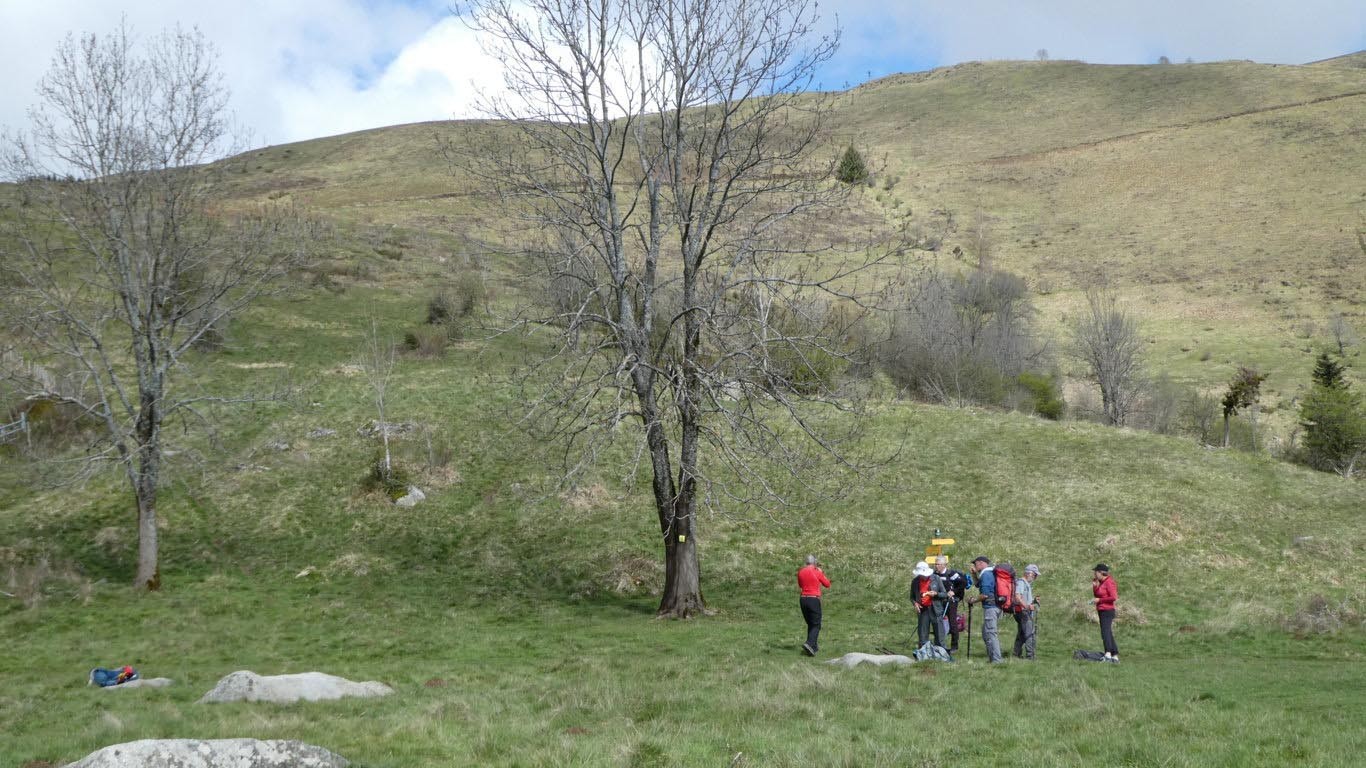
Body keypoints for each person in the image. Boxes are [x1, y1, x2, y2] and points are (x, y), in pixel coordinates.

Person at [967, 556, 1003, 663]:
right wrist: (974, 574)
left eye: (975, 563)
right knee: (985, 632)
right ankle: (992, 657)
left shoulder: (987, 575)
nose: (974, 565)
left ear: (982, 563)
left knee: (991, 633)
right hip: (996, 606)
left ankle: (996, 660)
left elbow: (985, 595)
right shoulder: (988, 573)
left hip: (991, 607)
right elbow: (978, 585)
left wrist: (973, 601)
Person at [797, 554, 831, 656]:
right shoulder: (816, 571)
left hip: (803, 599)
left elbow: (800, 585)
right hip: (813, 599)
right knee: (816, 624)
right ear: (814, 562)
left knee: (811, 624)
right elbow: (827, 584)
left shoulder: (801, 571)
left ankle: (812, 648)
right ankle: (809, 643)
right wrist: (821, 573)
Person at [934, 555, 969, 653]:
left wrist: (953, 591)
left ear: (945, 564)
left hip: (951, 601)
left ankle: (954, 646)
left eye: (939, 564)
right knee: (938, 622)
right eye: (935, 564)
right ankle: (939, 644)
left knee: (952, 623)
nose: (937, 566)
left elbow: (963, 583)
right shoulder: (934, 574)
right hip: (939, 601)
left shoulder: (951, 574)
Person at [910, 561, 949, 648]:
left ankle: (942, 653)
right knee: (923, 635)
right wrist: (915, 603)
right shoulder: (915, 581)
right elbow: (912, 597)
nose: (923, 576)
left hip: (935, 610)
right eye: (921, 575)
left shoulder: (936, 578)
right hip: (923, 610)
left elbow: (945, 594)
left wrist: (935, 594)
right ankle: (923, 655)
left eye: (924, 575)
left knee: (939, 635)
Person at [1092, 564, 1119, 662]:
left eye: (1096, 572)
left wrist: (1099, 600)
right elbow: (1097, 595)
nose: (1094, 574)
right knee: (1108, 633)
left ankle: (1107, 654)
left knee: (1105, 633)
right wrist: (1095, 587)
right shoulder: (1101, 582)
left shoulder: (1109, 582)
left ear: (1101, 572)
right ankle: (1115, 655)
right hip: (1102, 610)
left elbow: (1113, 597)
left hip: (1107, 611)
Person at [1012, 564, 1040, 660]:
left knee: (1022, 633)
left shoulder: (1025, 584)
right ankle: (1030, 656)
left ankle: (1016, 654)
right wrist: (1027, 606)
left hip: (1021, 611)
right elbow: (1017, 597)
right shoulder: (1021, 583)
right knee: (1029, 633)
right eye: (1035, 575)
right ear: (1029, 573)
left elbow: (1024, 599)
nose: (1035, 578)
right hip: (1023, 612)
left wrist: (1034, 601)